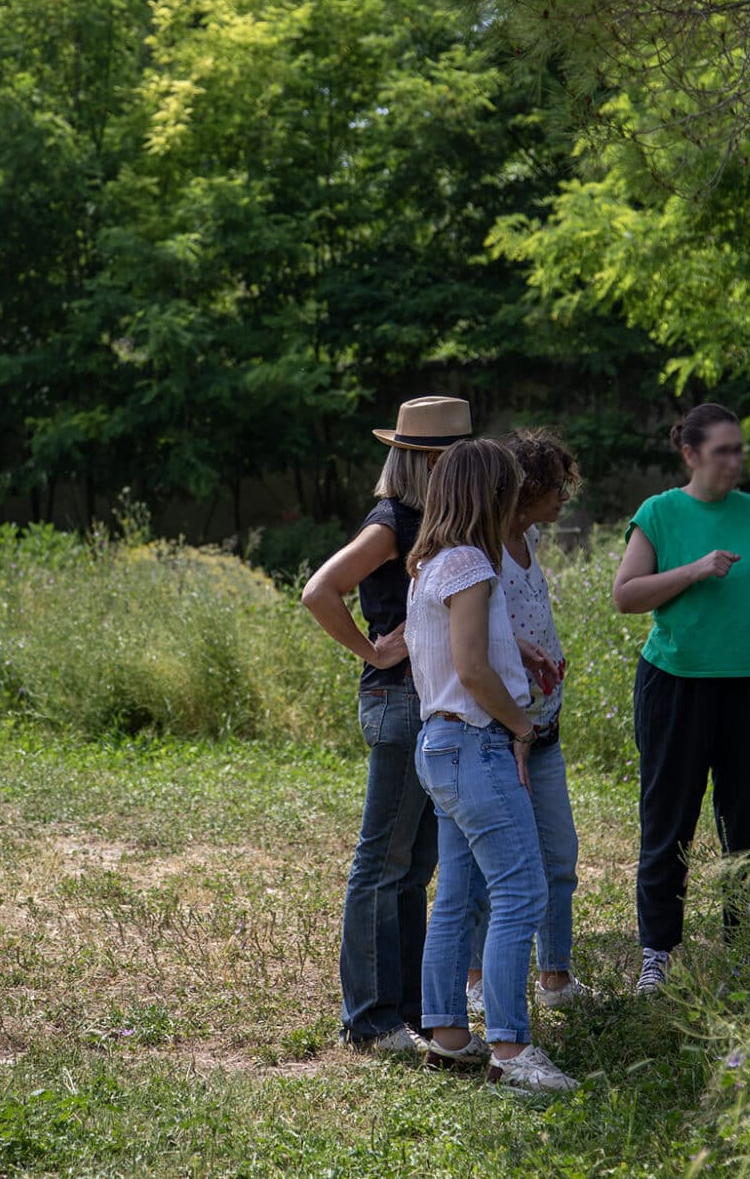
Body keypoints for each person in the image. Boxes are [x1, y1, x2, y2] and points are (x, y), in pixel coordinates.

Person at [611, 402, 750, 995]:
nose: (735, 460)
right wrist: (697, 570)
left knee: (748, 823)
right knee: (668, 820)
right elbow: (626, 595)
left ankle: (745, 947)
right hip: (675, 684)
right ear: (690, 454)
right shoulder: (660, 513)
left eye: (739, 449)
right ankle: (658, 951)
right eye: (723, 450)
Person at [301, 396, 472, 1054]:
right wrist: (373, 649)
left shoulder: (436, 519)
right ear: (427, 461)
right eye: (453, 455)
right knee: (384, 860)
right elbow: (320, 590)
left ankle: (408, 1008)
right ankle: (369, 1019)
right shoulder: (393, 521)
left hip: (425, 700)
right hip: (398, 698)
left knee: (413, 862)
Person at [409, 438, 578, 1094]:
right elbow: (473, 670)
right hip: (477, 744)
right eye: (510, 485)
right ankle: (511, 1047)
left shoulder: (432, 562)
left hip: (440, 744)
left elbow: (467, 660)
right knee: (521, 892)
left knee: (457, 894)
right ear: (490, 493)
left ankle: (449, 1036)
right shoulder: (472, 566)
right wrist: (520, 723)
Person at [464, 429, 590, 1020]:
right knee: (499, 867)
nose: (565, 496)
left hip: (545, 729)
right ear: (525, 489)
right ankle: (474, 980)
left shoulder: (530, 537)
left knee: (558, 855)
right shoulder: (480, 550)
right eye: (556, 486)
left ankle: (556, 975)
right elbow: (469, 628)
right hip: (501, 731)